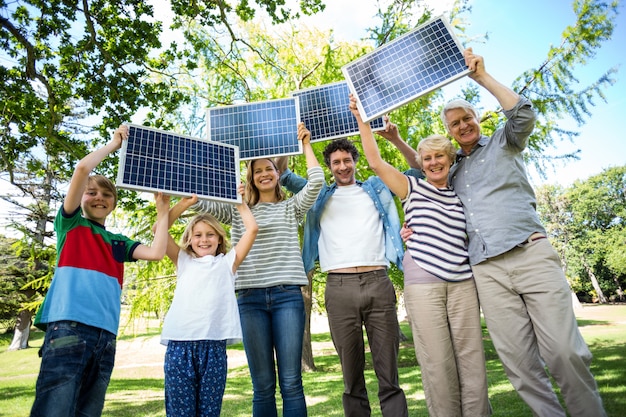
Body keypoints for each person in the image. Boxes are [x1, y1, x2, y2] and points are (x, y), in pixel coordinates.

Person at [439, 47, 606, 417]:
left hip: (530, 254)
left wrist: (481, 77)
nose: (463, 125)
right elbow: (423, 171)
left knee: (564, 352)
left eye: (467, 118)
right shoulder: (451, 172)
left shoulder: (504, 141)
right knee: (520, 366)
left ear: (476, 118)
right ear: (448, 131)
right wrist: (395, 141)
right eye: (454, 123)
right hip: (487, 270)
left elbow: (523, 112)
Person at [349, 95, 491, 416]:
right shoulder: (410, 188)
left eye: (440, 156)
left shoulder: (460, 191)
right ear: (421, 162)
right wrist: (362, 118)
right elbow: (374, 161)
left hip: (463, 285)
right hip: (424, 286)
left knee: (472, 363)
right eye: (426, 158)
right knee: (438, 364)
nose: (433, 163)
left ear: (451, 159)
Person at [277, 126, 420, 417]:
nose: (343, 166)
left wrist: (395, 138)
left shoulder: (378, 187)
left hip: (378, 283)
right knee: (351, 375)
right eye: (336, 162)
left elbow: (417, 171)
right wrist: (286, 138)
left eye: (347, 160)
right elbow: (282, 176)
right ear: (328, 167)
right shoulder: (318, 194)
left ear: (355, 161)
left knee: (388, 372)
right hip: (339, 287)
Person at [30, 125, 171, 417]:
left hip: (105, 338)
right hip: (69, 329)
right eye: (91, 192)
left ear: (113, 204)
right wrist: (113, 145)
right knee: (53, 411)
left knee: (88, 412)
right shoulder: (70, 226)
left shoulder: (119, 242)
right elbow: (82, 169)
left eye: (106, 194)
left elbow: (157, 253)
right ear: (81, 198)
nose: (98, 198)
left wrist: (163, 210)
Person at [192, 122, 323, 417]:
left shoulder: (291, 207)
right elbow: (198, 200)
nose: (264, 174)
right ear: (250, 177)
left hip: (287, 298)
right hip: (249, 299)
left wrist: (305, 144)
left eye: (269, 169)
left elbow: (315, 182)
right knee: (262, 384)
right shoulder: (236, 210)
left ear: (278, 174)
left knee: (291, 381)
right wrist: (213, 168)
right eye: (257, 170)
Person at [159, 190, 258, 417]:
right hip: (180, 346)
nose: (204, 240)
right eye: (198, 235)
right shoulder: (183, 260)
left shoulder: (228, 263)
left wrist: (240, 203)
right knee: (180, 412)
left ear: (220, 238)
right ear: (190, 240)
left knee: (209, 412)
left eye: (210, 234)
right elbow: (159, 231)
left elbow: (252, 229)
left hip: (213, 347)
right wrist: (184, 204)